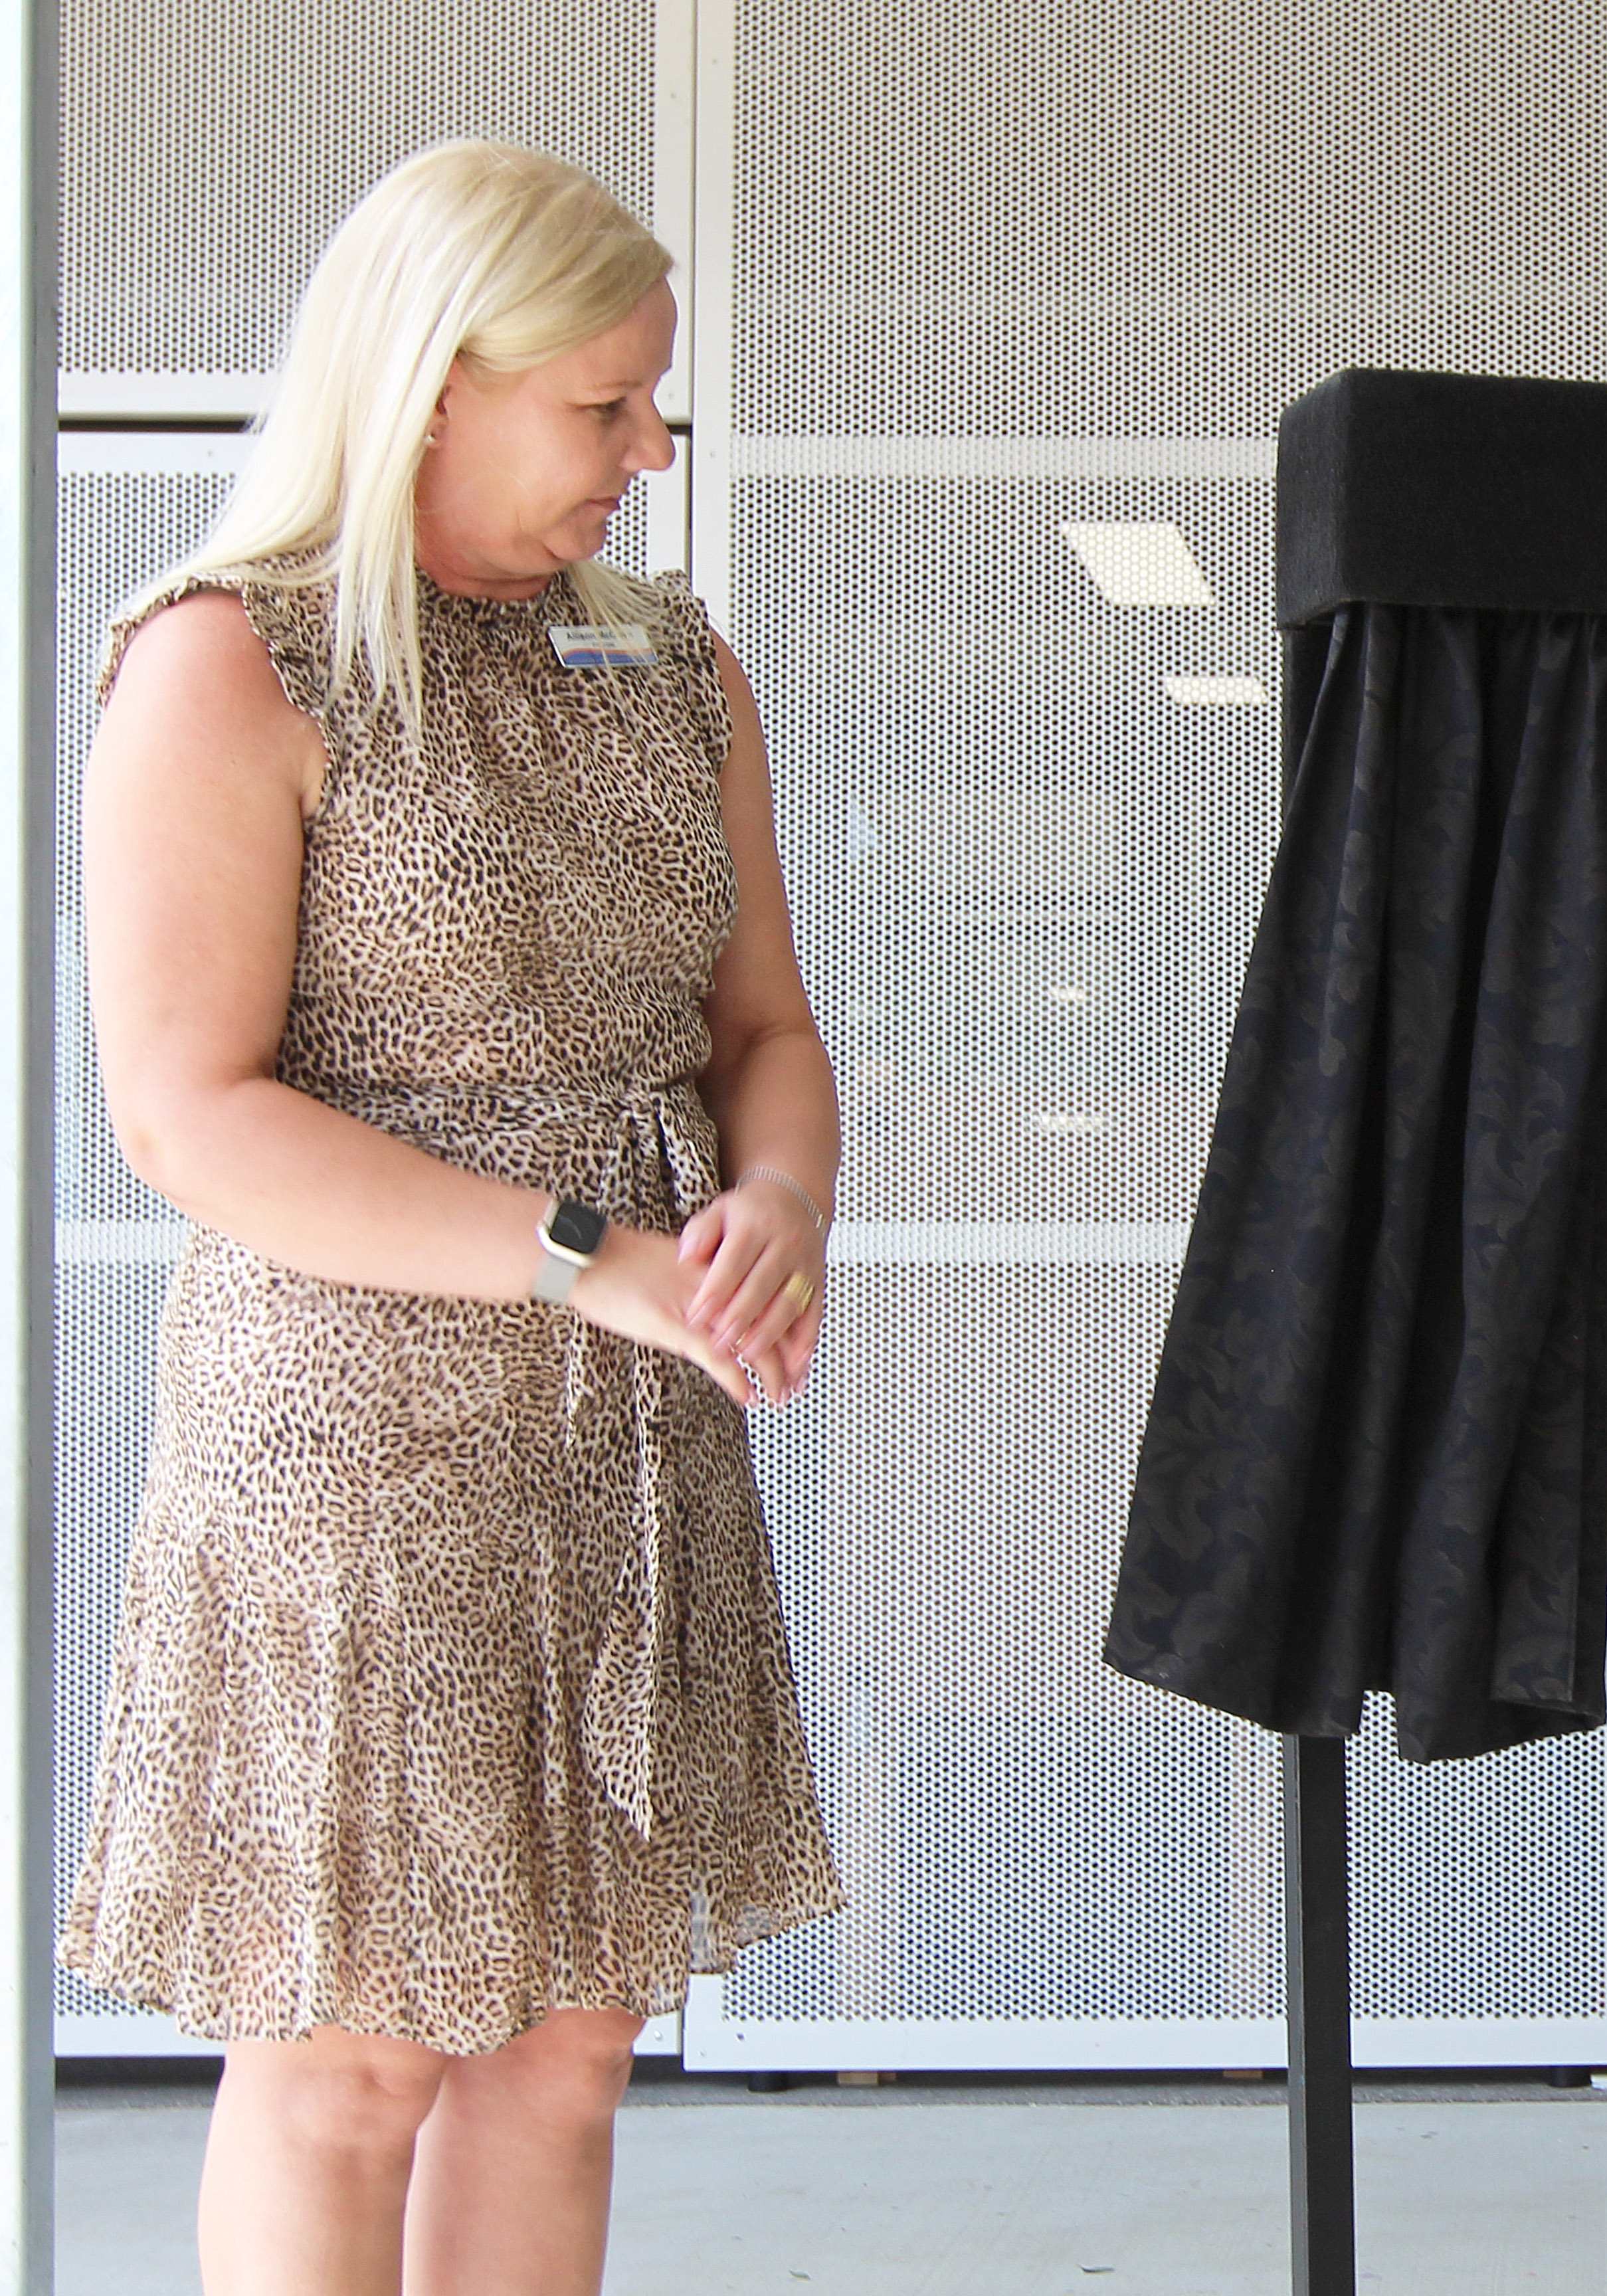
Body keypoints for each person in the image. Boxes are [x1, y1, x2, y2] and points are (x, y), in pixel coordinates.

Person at [59, 142, 842, 2296]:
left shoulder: (674, 666)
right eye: (602, 407)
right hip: (358, 1460)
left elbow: (762, 1021)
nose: (650, 450)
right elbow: (186, 1115)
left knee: (570, 2048)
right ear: (427, 385)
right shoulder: (234, 663)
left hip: (629, 1439)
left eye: (653, 401)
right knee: (354, 2058)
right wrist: (593, 1252)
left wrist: (777, 1190)